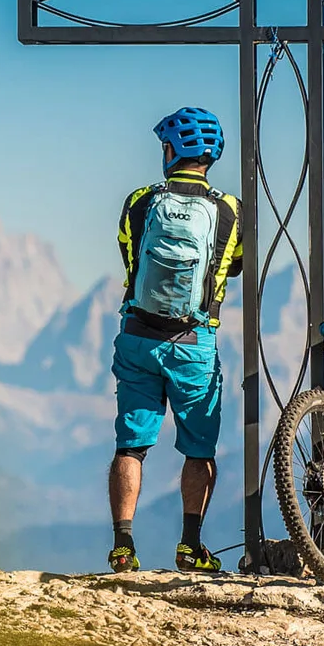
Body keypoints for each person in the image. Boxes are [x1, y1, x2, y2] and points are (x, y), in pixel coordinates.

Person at [107, 107, 244, 573]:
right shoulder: (229, 210)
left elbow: (129, 255)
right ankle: (190, 546)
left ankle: (123, 546)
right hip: (194, 343)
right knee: (199, 449)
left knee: (131, 446)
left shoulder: (140, 201)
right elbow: (234, 264)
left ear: (171, 151)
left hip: (139, 339)